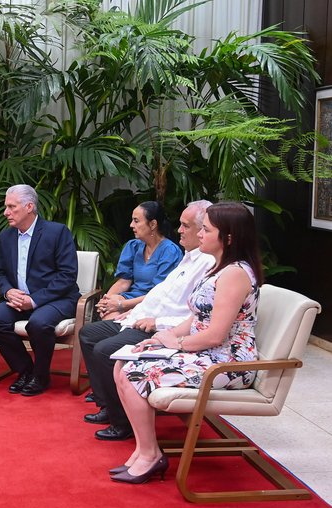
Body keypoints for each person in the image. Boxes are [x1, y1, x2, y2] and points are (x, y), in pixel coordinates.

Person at [110, 202, 262, 484]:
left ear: (228, 238)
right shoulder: (218, 268)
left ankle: (150, 455)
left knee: (133, 374)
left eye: (207, 230)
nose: (199, 234)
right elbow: (196, 318)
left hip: (227, 362)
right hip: (206, 352)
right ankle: (144, 449)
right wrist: (159, 340)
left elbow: (216, 335)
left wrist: (176, 342)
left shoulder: (235, 274)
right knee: (122, 364)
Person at [78, 200, 214, 441]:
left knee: (104, 350)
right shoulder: (188, 256)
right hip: (140, 313)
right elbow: (159, 293)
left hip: (159, 325)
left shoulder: (204, 263)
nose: (179, 230)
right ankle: (107, 403)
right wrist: (125, 308)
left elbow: (191, 312)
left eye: (186, 226)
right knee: (89, 334)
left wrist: (142, 315)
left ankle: (122, 422)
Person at [0, 184, 80, 396]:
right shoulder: (6, 237)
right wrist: (8, 291)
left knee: (38, 323)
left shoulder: (57, 232)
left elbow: (67, 275)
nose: (6, 212)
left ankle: (41, 375)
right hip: (20, 300)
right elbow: (1, 273)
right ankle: (26, 371)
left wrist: (34, 300)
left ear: (29, 207)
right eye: (6, 207)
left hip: (57, 299)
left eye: (11, 207)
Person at [96, 201, 182, 320]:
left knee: (114, 320)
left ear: (153, 224)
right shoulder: (133, 246)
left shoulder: (170, 252)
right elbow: (123, 282)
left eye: (136, 221)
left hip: (153, 305)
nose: (131, 225)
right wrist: (106, 302)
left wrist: (121, 305)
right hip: (129, 299)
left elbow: (159, 294)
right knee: (108, 315)